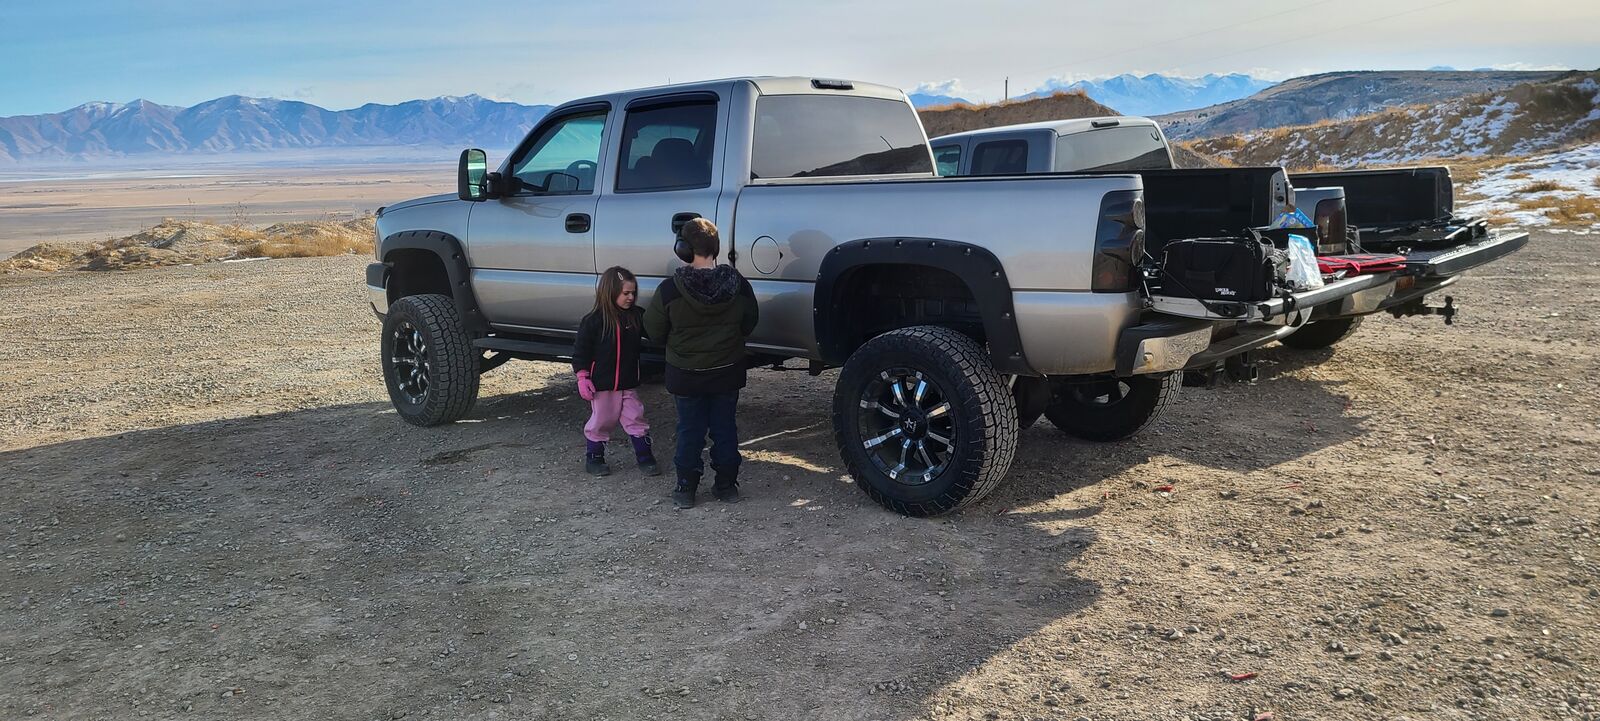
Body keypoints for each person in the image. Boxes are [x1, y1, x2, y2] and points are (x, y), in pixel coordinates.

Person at [643, 218, 758, 508]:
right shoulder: (739, 286)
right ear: (716, 248)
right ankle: (727, 486)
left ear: (683, 249)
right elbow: (749, 323)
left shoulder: (669, 290)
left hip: (686, 375)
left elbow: (654, 331)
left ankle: (686, 488)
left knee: (689, 430)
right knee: (725, 428)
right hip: (727, 372)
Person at [573, 266, 659, 477]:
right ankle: (594, 458)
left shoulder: (636, 316)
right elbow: (580, 352)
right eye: (625, 293)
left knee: (636, 418)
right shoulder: (593, 321)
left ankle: (645, 457)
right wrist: (582, 376)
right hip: (603, 385)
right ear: (610, 292)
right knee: (602, 421)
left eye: (633, 293)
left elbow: (656, 332)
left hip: (627, 382)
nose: (630, 298)